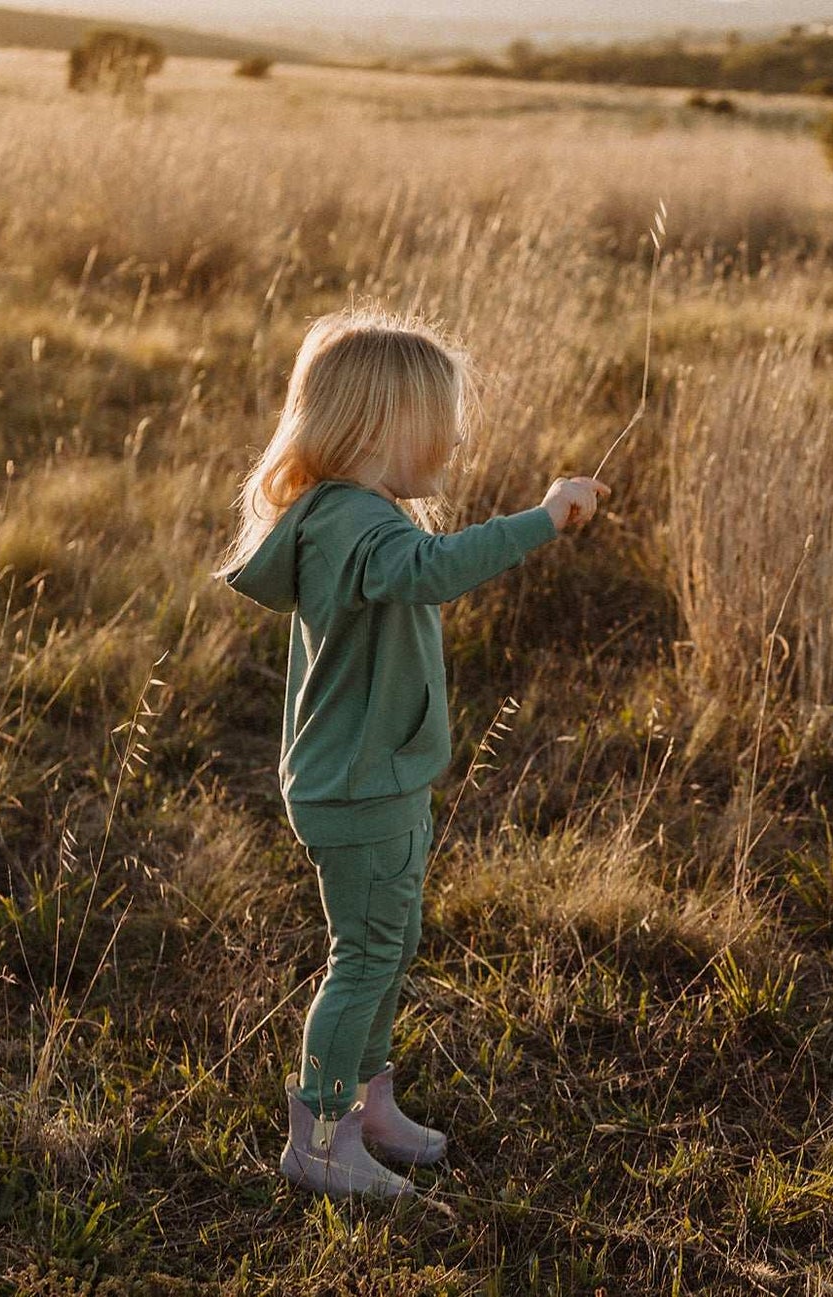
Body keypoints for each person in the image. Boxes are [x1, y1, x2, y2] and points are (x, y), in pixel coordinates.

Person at [216, 308, 608, 1199]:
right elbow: (431, 569)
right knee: (363, 954)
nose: (456, 437)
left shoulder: (353, 514)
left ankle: (368, 1104)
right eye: (440, 420)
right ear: (380, 426)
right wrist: (543, 519)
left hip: (377, 778)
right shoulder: (358, 526)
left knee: (389, 945)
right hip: (359, 787)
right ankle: (318, 1135)